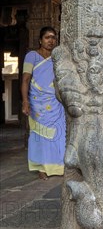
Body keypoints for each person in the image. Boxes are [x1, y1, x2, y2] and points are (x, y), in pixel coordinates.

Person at [21, 26, 65, 180]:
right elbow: (25, 79)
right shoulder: (31, 56)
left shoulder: (58, 57)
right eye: (47, 37)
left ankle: (58, 167)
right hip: (37, 103)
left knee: (58, 134)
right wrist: (25, 101)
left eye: (53, 37)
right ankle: (41, 168)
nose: (51, 40)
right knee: (39, 134)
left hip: (55, 102)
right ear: (40, 40)